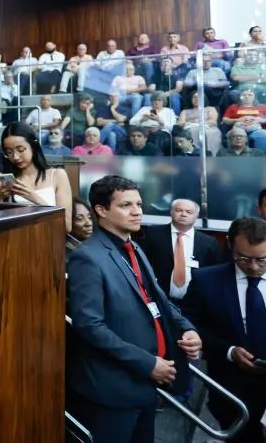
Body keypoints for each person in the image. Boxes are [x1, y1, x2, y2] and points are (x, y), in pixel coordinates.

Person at [66, 176, 202, 443]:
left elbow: (156, 298)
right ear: (101, 210)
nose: (137, 211)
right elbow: (89, 325)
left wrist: (187, 328)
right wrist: (147, 363)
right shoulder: (87, 257)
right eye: (126, 205)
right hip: (114, 388)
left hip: (146, 384)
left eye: (138, 204)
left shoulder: (134, 246)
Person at [182, 217, 266, 443]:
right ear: (230, 245)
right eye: (244, 258)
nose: (253, 267)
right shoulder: (206, 280)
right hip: (231, 394)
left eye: (262, 259)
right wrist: (228, 351)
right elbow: (189, 325)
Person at [136, 199, 223, 305]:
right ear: (171, 212)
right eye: (179, 210)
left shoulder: (208, 242)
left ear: (196, 216)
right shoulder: (152, 234)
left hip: (194, 303)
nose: (183, 214)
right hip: (158, 299)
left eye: (189, 212)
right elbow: (140, 263)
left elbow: (214, 273)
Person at [0, 122, 72, 230]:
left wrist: (34, 198)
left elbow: (67, 227)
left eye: (21, 150)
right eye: (9, 152)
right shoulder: (0, 179)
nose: (15, 157)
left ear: (33, 146)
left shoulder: (57, 175)